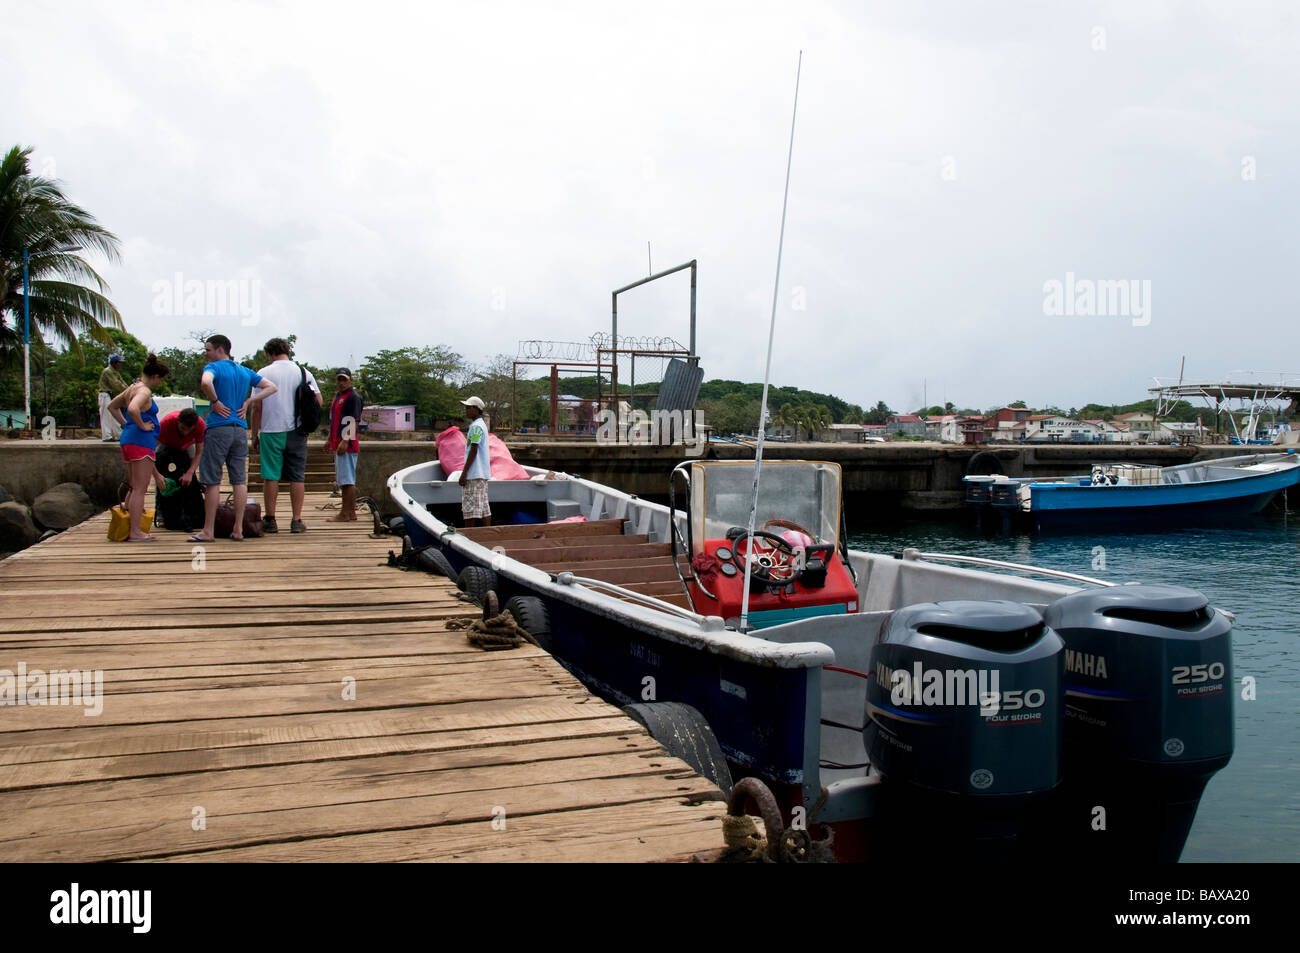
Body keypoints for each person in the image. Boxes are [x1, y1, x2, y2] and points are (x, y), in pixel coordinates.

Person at [192, 334, 277, 542]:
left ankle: (208, 531)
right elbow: (271, 387)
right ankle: (238, 529)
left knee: (212, 481)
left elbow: (205, 383)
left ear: (220, 349)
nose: (206, 354)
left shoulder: (213, 367)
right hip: (239, 430)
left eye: (208, 349)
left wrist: (215, 400)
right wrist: (249, 401)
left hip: (218, 428)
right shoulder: (244, 371)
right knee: (239, 480)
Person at [250, 337, 321, 534]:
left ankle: (270, 519)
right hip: (297, 431)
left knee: (270, 476)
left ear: (269, 353)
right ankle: (296, 520)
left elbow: (257, 407)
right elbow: (318, 400)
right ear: (287, 351)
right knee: (297, 477)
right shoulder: (303, 372)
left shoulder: (262, 373)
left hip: (271, 430)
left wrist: (255, 435)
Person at [107, 354, 170, 541]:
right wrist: (141, 426)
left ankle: (131, 527)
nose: (159, 383)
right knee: (140, 488)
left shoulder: (132, 388)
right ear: (155, 377)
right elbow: (134, 409)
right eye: (161, 380)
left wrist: (128, 424)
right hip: (140, 441)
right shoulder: (144, 391)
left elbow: (112, 406)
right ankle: (136, 532)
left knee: (134, 486)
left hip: (129, 439)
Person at [154, 407, 206, 531]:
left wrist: (189, 473)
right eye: (183, 428)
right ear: (178, 422)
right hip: (166, 445)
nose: (185, 432)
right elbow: (150, 453)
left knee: (189, 479)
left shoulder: (200, 426)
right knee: (163, 479)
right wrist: (157, 476)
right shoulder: (166, 424)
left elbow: (199, 453)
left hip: (187, 446)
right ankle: (162, 513)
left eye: (189, 430)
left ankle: (190, 512)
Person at [326, 368, 362, 522]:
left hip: (346, 443)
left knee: (347, 480)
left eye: (344, 379)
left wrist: (345, 440)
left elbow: (354, 420)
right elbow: (334, 420)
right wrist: (329, 439)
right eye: (339, 379)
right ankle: (350, 513)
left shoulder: (353, 397)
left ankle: (345, 513)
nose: (341, 382)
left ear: (350, 380)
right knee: (344, 479)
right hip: (337, 441)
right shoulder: (338, 396)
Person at [458, 396, 492, 527]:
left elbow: (474, 449)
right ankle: (488, 534)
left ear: (477, 409)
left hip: (474, 474)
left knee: (470, 509)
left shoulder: (476, 427)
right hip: (481, 474)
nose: (466, 410)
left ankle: (469, 536)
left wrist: (464, 473)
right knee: (483, 507)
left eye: (469, 408)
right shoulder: (480, 425)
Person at [99, 354, 127, 441]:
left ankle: (118, 434)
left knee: (115, 415)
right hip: (105, 394)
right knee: (106, 416)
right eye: (119, 363)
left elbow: (122, 383)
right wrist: (128, 390)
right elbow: (116, 385)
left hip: (112, 395)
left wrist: (129, 389)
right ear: (114, 363)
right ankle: (106, 436)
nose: (120, 365)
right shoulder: (108, 371)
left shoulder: (115, 372)